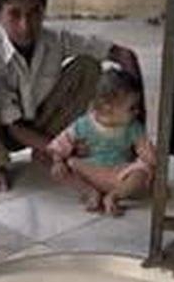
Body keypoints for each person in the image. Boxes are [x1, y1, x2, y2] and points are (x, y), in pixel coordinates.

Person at [0, 0, 144, 192]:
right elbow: (14, 128)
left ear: (44, 9)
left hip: (42, 123)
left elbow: (124, 54)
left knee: (88, 66)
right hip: (1, 131)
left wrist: (137, 123)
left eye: (34, 13)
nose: (25, 25)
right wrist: (66, 150)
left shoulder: (54, 40)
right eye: (14, 14)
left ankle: (44, 149)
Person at [48, 69, 156, 216]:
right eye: (132, 108)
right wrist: (58, 161)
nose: (137, 111)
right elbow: (61, 143)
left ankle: (115, 195)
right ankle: (90, 192)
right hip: (90, 171)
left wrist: (151, 158)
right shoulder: (84, 124)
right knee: (64, 168)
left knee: (142, 172)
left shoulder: (133, 127)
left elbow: (144, 149)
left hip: (120, 173)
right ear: (107, 107)